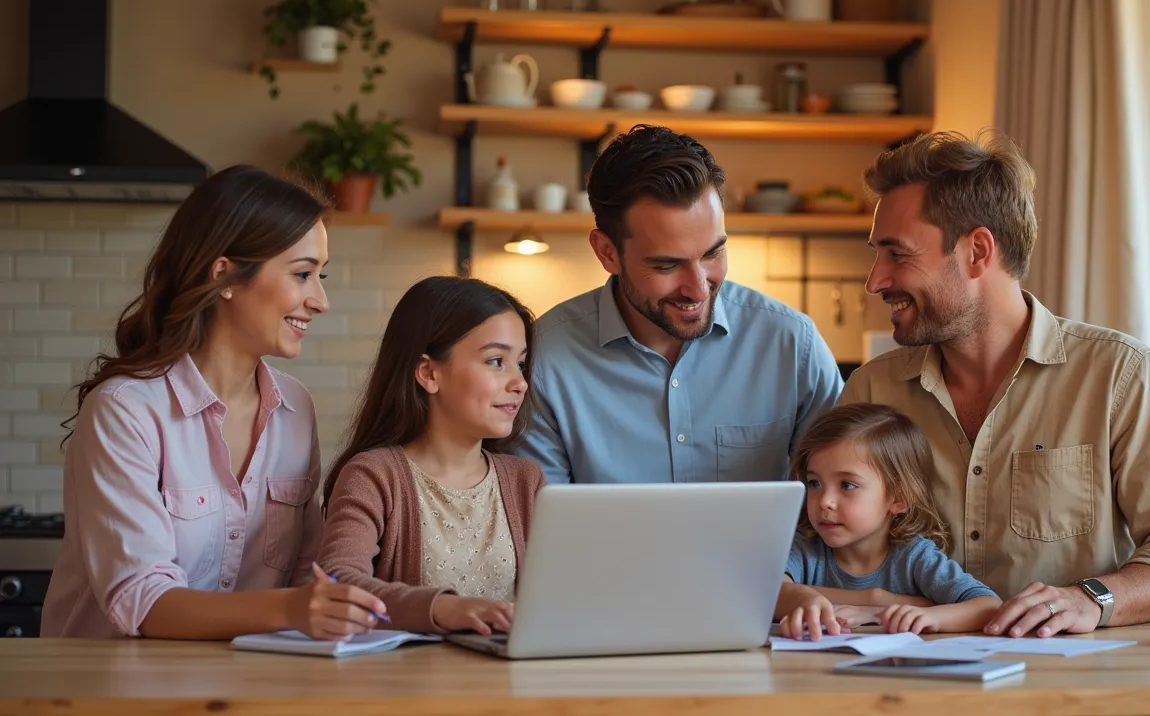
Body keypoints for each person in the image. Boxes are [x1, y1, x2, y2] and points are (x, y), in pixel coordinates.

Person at [841, 130, 1150, 639]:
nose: (875, 281)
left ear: (978, 251)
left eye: (897, 254)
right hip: (902, 683)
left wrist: (1093, 599)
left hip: (1072, 692)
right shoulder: (871, 392)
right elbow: (815, 549)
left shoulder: (1120, 375)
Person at [42, 165, 386, 640]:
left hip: (238, 689)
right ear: (225, 274)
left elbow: (307, 570)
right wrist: (292, 609)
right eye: (303, 274)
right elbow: (141, 601)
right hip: (110, 695)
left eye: (320, 275)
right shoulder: (125, 410)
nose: (321, 300)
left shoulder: (295, 408)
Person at [517, 124, 844, 484]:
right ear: (607, 252)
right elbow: (543, 523)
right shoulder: (545, 358)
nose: (698, 288)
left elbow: (847, 503)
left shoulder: (792, 345)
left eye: (712, 253)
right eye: (666, 265)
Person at [318, 276, 546, 635]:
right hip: (406, 684)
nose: (519, 382)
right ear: (428, 373)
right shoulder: (373, 475)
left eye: (520, 363)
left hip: (510, 682)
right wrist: (444, 607)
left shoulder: (526, 480)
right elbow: (338, 582)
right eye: (496, 361)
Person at [775, 403, 1001, 640]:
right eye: (814, 483)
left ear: (899, 499)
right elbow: (766, 593)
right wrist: (805, 598)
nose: (825, 501)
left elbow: (989, 606)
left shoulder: (915, 556)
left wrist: (933, 617)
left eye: (847, 485)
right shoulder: (804, 547)